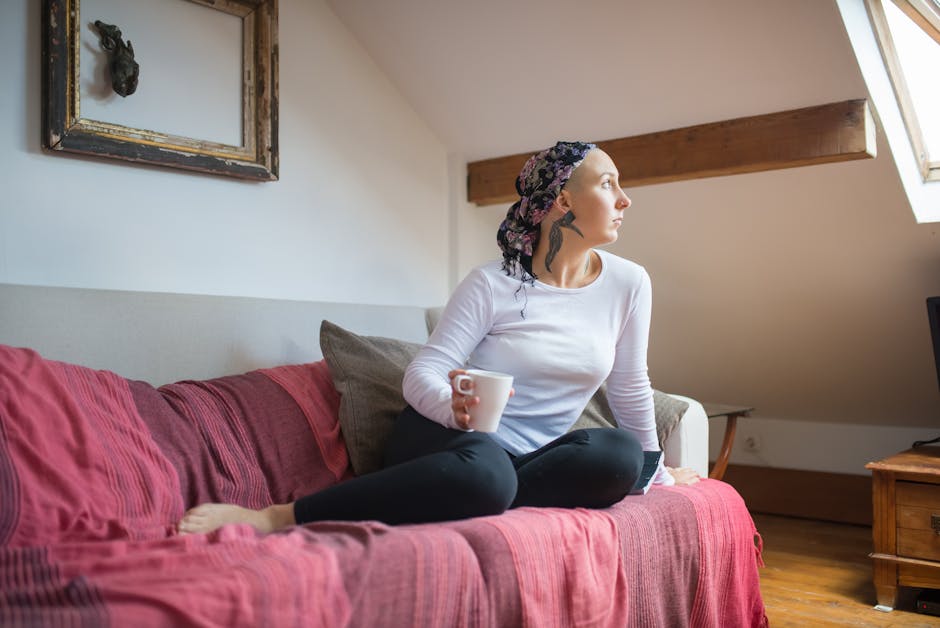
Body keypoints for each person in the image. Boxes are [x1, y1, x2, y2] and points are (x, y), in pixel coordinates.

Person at [177, 141, 699, 536]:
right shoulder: (491, 284)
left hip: (536, 461)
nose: (625, 199)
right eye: (608, 184)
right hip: (451, 442)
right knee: (486, 472)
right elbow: (422, 373)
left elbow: (631, 385)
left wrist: (657, 474)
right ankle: (277, 516)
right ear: (563, 200)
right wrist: (456, 409)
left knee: (620, 456)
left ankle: (479, 495)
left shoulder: (629, 283)